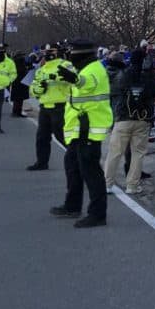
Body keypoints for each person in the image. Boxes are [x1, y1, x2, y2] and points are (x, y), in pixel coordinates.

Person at [50, 39, 112, 228]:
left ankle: (97, 214)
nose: (69, 54)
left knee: (91, 172)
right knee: (73, 167)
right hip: (79, 129)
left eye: (72, 52)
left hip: (90, 130)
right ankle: (72, 205)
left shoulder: (94, 69)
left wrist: (75, 79)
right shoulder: (84, 68)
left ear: (82, 53)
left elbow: (86, 84)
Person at [104, 48, 155, 195]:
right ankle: (132, 185)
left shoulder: (123, 75)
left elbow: (113, 90)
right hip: (143, 118)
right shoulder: (151, 76)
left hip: (123, 116)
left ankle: (107, 183)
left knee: (115, 152)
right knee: (138, 153)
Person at [28, 44, 75, 169]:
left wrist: (55, 77)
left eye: (50, 51)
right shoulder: (41, 69)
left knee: (62, 137)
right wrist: (37, 89)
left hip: (60, 106)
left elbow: (73, 79)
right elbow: (33, 87)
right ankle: (42, 162)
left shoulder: (65, 65)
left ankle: (76, 160)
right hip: (44, 107)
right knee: (42, 137)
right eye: (45, 51)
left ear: (57, 52)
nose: (47, 54)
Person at [10, 51, 30, 118]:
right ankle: (15, 112)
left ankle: (18, 112)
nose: (23, 57)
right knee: (18, 99)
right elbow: (21, 71)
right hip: (19, 82)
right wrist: (27, 69)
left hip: (20, 82)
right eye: (22, 55)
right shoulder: (18, 62)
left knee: (19, 99)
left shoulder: (18, 61)